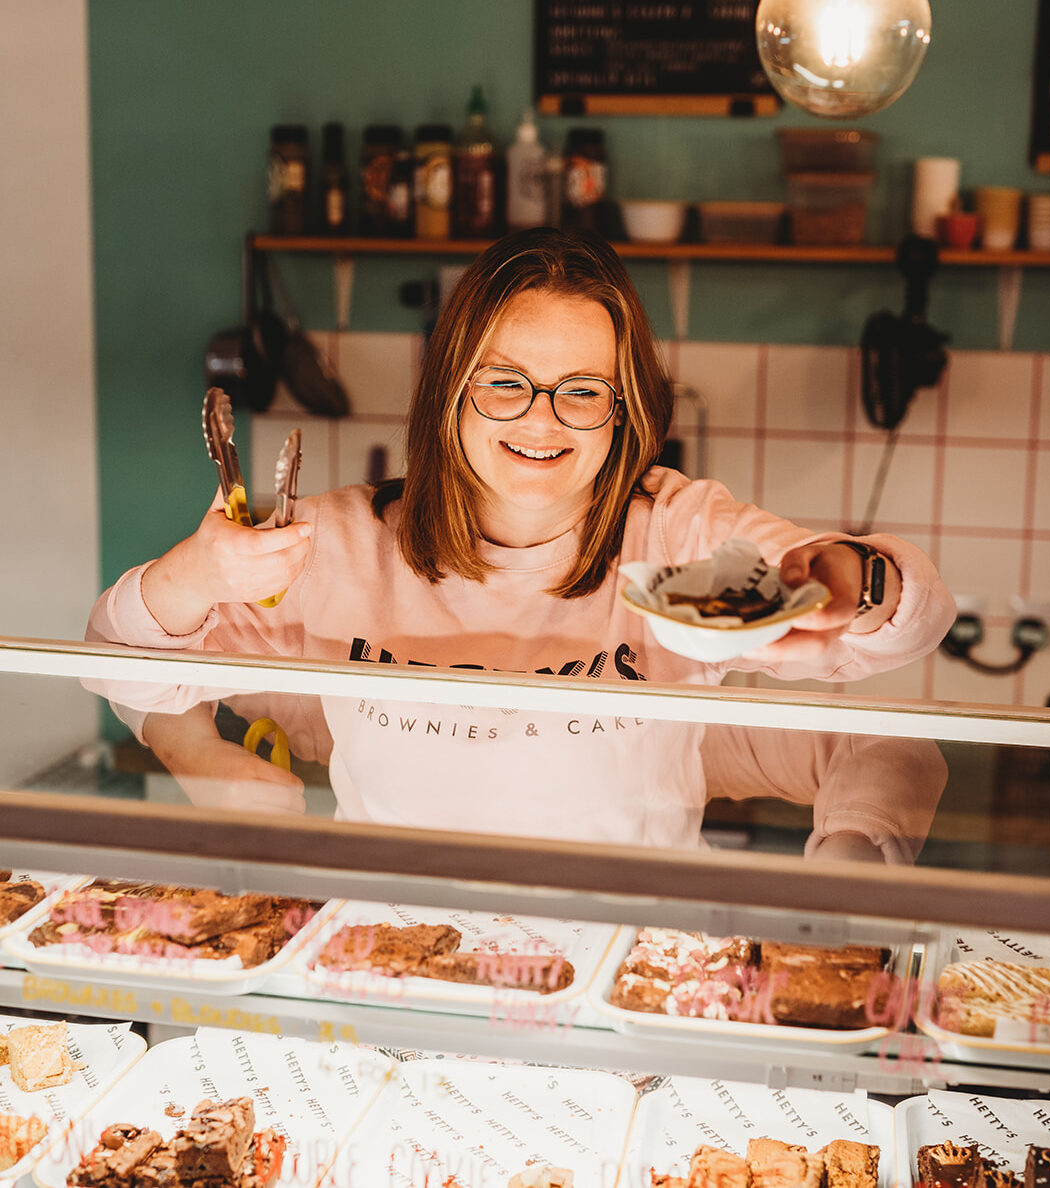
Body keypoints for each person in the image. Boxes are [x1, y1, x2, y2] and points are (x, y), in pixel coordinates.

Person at [88, 227, 956, 860]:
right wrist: (194, 596)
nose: (542, 420)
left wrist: (851, 575)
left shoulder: (677, 529)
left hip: (624, 985)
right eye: (507, 382)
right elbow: (118, 662)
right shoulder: (335, 543)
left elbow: (899, 631)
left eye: (583, 391)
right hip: (390, 970)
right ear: (453, 391)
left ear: (624, 412)